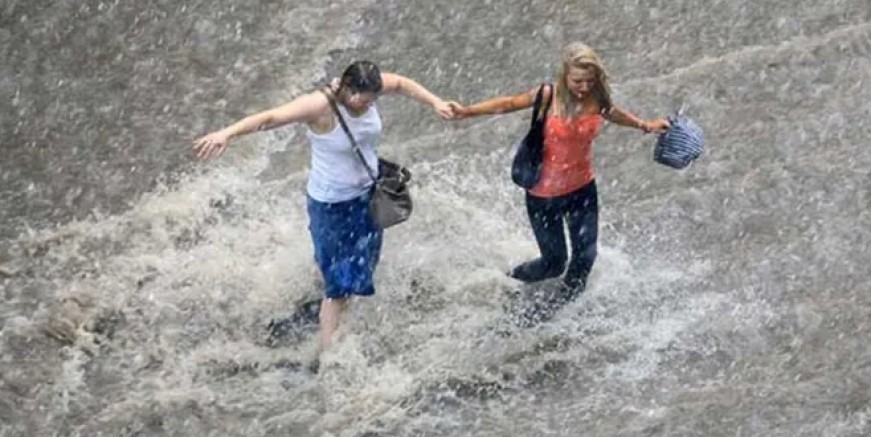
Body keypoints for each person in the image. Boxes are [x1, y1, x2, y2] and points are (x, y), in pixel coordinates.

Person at [192, 61, 455, 350]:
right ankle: (330, 352)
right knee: (340, 288)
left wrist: (436, 102)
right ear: (348, 90)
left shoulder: (371, 86)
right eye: (364, 100)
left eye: (373, 101)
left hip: (368, 195)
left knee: (363, 264)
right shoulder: (318, 106)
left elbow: (402, 83)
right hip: (332, 205)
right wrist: (226, 134)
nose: (368, 105)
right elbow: (270, 117)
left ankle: (321, 285)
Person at [449, 42, 670, 324]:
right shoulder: (547, 96)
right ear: (564, 76)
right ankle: (507, 281)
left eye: (590, 81)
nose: (584, 87)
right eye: (578, 81)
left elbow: (613, 113)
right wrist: (467, 111)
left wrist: (644, 125)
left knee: (585, 258)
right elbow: (509, 103)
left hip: (582, 190)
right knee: (553, 263)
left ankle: (560, 313)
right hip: (544, 195)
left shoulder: (597, 98)